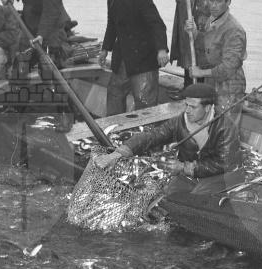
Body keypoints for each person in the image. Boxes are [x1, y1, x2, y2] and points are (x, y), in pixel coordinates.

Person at [94, 83, 243, 193]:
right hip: (189, 176)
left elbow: (224, 164)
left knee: (197, 199)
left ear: (208, 108)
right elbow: (152, 136)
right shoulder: (180, 122)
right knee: (167, 195)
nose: (187, 110)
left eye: (193, 107)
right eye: (186, 105)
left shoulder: (225, 128)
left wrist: (185, 168)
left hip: (222, 177)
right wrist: (119, 153)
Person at [97, 0, 169, 115]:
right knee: (115, 92)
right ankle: (114, 126)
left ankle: (146, 128)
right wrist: (105, 49)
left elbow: (158, 25)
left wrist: (162, 50)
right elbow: (112, 25)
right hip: (123, 56)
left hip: (144, 57)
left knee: (144, 99)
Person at [186, 0, 247, 118]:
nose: (213, 5)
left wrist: (201, 73)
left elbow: (228, 68)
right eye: (211, 0)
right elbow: (210, 48)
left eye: (218, 1)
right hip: (212, 80)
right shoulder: (212, 19)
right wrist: (194, 33)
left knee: (225, 126)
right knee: (210, 122)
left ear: (228, 2)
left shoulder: (234, 30)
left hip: (229, 86)